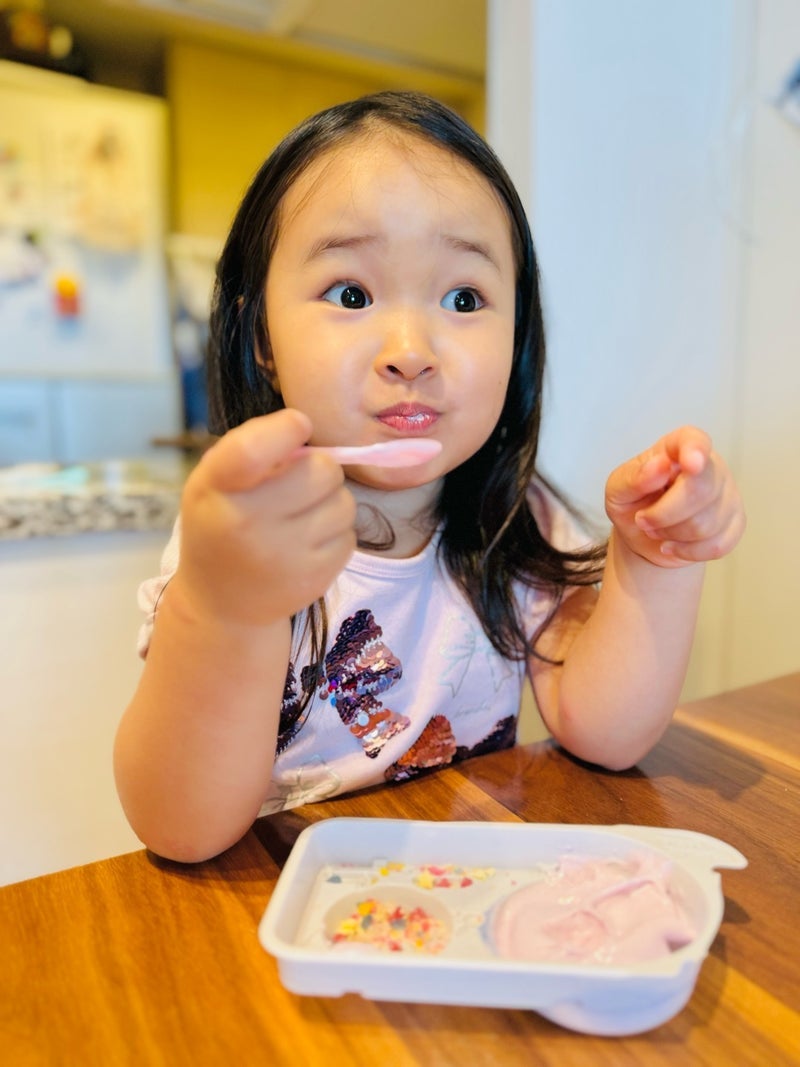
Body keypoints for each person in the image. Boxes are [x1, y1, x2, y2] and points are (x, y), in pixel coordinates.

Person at [114, 91, 745, 863]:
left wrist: (652, 561)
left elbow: (606, 734)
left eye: (463, 298)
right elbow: (180, 828)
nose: (411, 351)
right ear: (262, 340)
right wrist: (222, 606)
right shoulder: (247, 535)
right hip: (280, 904)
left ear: (517, 337)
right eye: (352, 294)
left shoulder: (517, 513)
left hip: (466, 891)